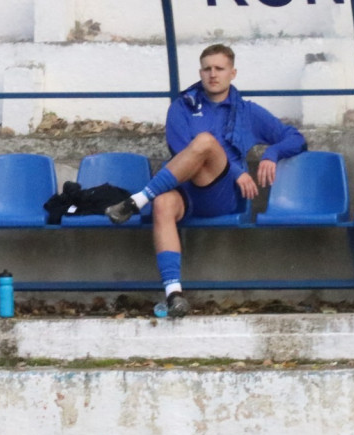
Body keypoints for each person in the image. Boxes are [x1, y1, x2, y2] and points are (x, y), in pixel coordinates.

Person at [105, 44, 306, 317]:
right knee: (163, 203)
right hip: (184, 190)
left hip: (222, 195)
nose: (213, 74)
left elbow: (295, 138)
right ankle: (174, 293)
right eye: (207, 68)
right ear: (200, 72)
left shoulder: (247, 111)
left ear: (232, 73)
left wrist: (271, 153)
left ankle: (137, 199)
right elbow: (180, 152)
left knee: (205, 142)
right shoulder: (181, 107)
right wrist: (237, 168)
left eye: (219, 69)